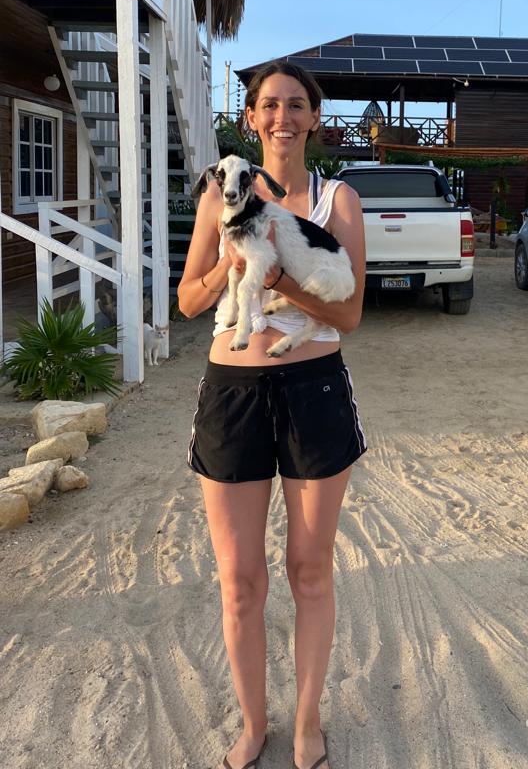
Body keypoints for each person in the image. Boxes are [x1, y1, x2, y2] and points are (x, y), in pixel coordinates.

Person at [178, 60, 366, 769]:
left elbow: (348, 312)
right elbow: (189, 302)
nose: (283, 117)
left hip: (313, 388)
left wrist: (278, 274)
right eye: (269, 106)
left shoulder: (337, 202)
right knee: (240, 582)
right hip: (231, 395)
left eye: (296, 105)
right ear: (251, 119)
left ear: (313, 118)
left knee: (309, 569)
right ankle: (254, 724)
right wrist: (233, 268)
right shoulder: (217, 201)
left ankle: (309, 720)